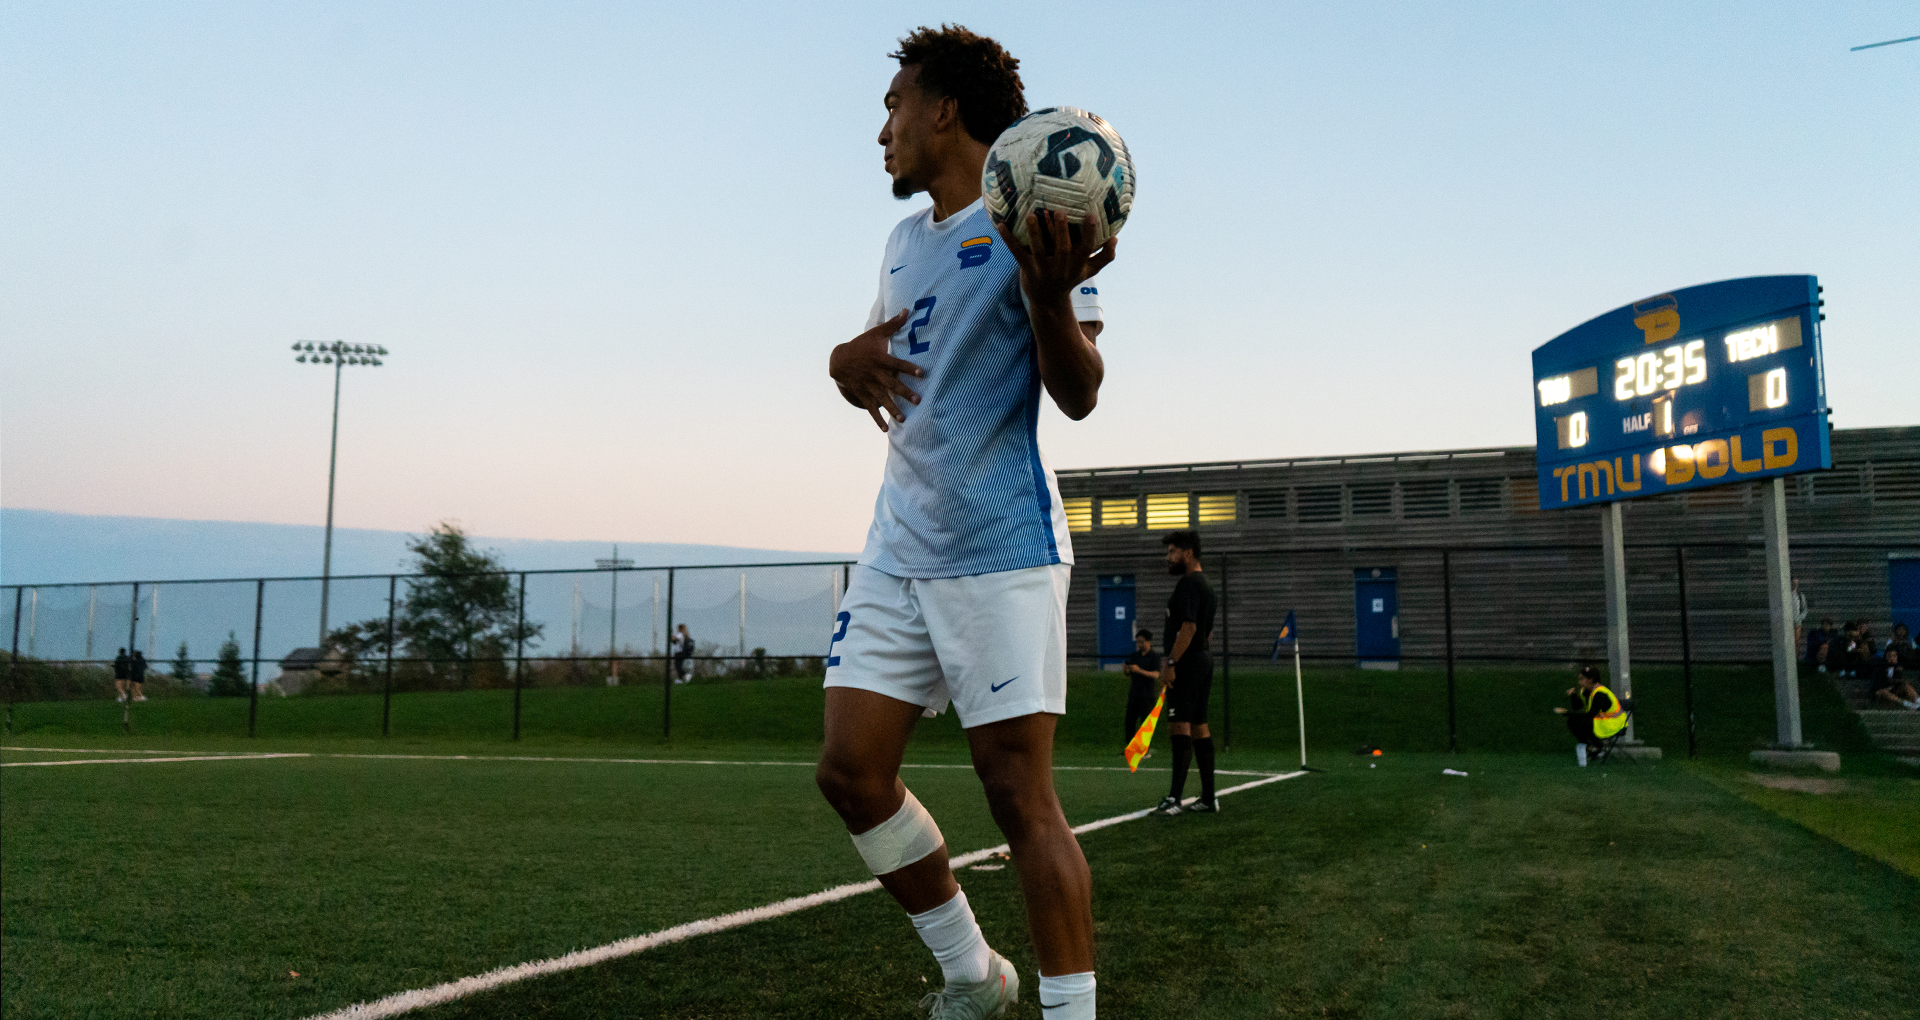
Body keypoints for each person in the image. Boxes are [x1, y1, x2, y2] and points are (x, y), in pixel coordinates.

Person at [815, 25, 1114, 1020]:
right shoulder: (903, 242)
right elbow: (875, 355)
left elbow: (1077, 393)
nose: (882, 132)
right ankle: (973, 976)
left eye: (894, 106)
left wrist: (1046, 297)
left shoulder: (1043, 219)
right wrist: (838, 364)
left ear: (944, 109)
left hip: (998, 548)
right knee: (852, 773)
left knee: (1019, 797)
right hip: (898, 545)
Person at [1153, 531, 1218, 816]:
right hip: (1203, 659)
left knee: (1179, 726)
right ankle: (1208, 798)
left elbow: (1189, 628)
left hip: (1188, 662)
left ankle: (1174, 800)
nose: (1168, 558)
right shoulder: (1208, 586)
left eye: (1172, 552)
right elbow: (1208, 633)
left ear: (1188, 553)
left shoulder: (1188, 584)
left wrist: (1171, 663)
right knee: (1199, 726)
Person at [1554, 665, 1626, 766]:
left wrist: (1567, 713)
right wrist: (1573, 695)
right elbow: (1577, 706)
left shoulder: (1600, 693)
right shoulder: (1585, 691)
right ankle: (1589, 746)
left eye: (1582, 679)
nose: (1579, 682)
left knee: (1585, 722)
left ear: (1590, 680)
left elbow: (1591, 714)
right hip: (1602, 721)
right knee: (1573, 721)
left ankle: (1598, 746)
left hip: (1615, 723)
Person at [1120, 629, 1161, 744]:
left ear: (1149, 642)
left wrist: (1140, 670)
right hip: (1134, 693)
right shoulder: (1135, 655)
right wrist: (1126, 670)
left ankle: (1144, 749)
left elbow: (1156, 674)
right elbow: (1128, 674)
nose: (1139, 644)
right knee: (1129, 722)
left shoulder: (1154, 657)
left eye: (1142, 642)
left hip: (1147, 695)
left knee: (1145, 724)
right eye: (1138, 642)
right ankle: (1129, 747)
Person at [1869, 646, 1919, 711]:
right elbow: (1877, 684)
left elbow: (1903, 683)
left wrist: (1900, 673)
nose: (1892, 658)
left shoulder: (1898, 667)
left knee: (1908, 688)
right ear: (1886, 656)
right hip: (1882, 691)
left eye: (1894, 656)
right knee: (1883, 692)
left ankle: (1918, 701)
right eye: (1889, 656)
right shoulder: (1880, 667)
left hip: (1895, 690)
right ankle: (1906, 704)